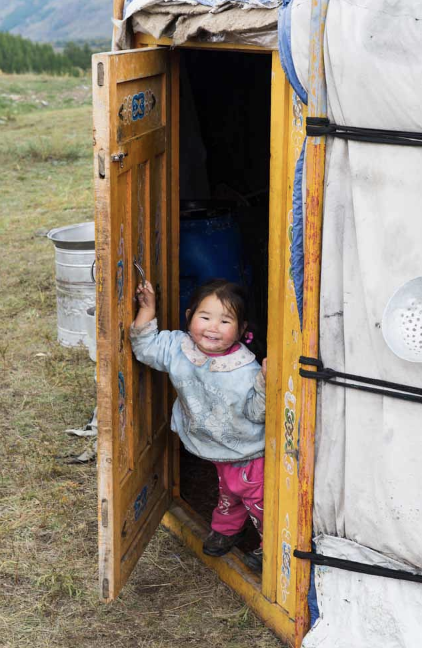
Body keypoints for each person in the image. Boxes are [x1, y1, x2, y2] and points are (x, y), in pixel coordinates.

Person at [129, 278, 267, 572]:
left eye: (225, 320)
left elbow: (258, 414)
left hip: (249, 449)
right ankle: (228, 529)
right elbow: (145, 347)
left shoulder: (247, 370)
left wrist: (268, 383)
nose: (212, 327)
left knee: (258, 499)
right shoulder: (179, 348)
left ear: (242, 330)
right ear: (190, 316)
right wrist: (148, 309)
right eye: (205, 317)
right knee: (229, 488)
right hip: (216, 445)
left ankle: (272, 546)